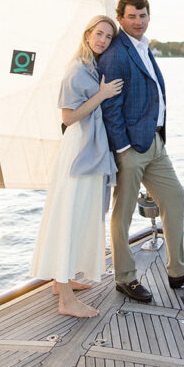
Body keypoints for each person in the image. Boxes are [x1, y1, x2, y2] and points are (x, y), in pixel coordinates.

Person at [98, 0, 184, 302]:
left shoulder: (144, 47)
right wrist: (121, 146)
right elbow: (110, 105)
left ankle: (177, 270)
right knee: (122, 214)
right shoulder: (117, 52)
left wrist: (156, 136)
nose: (138, 21)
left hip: (155, 142)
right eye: (132, 16)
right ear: (121, 18)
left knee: (175, 196)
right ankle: (125, 278)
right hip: (130, 148)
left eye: (143, 15)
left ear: (149, 16)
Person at [29, 16, 123, 317]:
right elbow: (68, 118)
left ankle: (63, 280)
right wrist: (102, 95)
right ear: (87, 34)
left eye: (108, 37)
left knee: (80, 213)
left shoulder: (93, 67)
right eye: (99, 34)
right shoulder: (76, 70)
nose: (103, 41)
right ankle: (66, 300)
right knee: (68, 216)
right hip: (78, 149)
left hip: (88, 148)